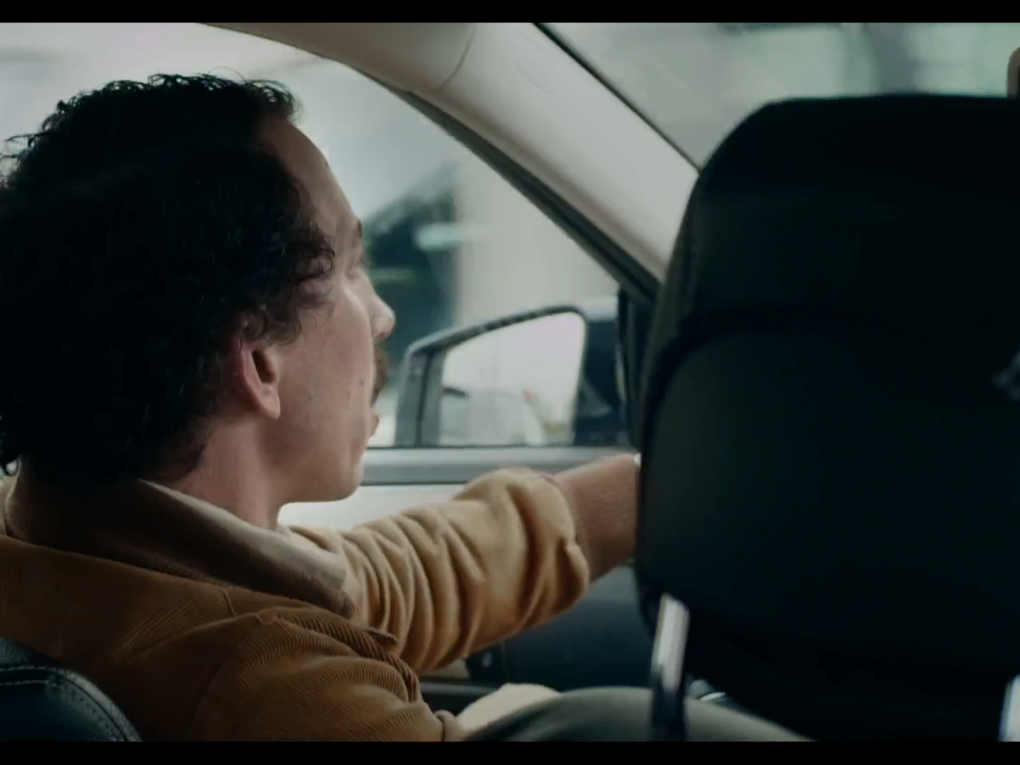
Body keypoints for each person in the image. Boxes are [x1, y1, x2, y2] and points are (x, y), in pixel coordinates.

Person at [0, 75, 639, 741]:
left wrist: (638, 495)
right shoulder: (271, 689)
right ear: (259, 360)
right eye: (350, 268)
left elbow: (381, 580)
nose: (383, 317)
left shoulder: (62, 549)